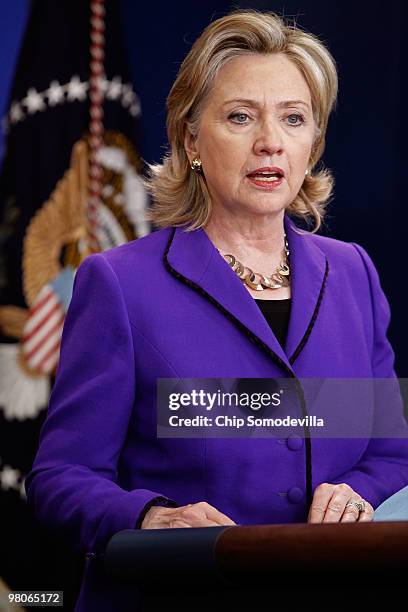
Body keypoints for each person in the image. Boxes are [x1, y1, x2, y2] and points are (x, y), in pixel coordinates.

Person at [25, 9, 408, 611]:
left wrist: (356, 492)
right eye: (240, 116)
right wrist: (148, 515)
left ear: (312, 144)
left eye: (293, 118)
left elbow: (389, 449)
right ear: (190, 139)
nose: (270, 142)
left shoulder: (351, 273)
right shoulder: (121, 285)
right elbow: (59, 477)